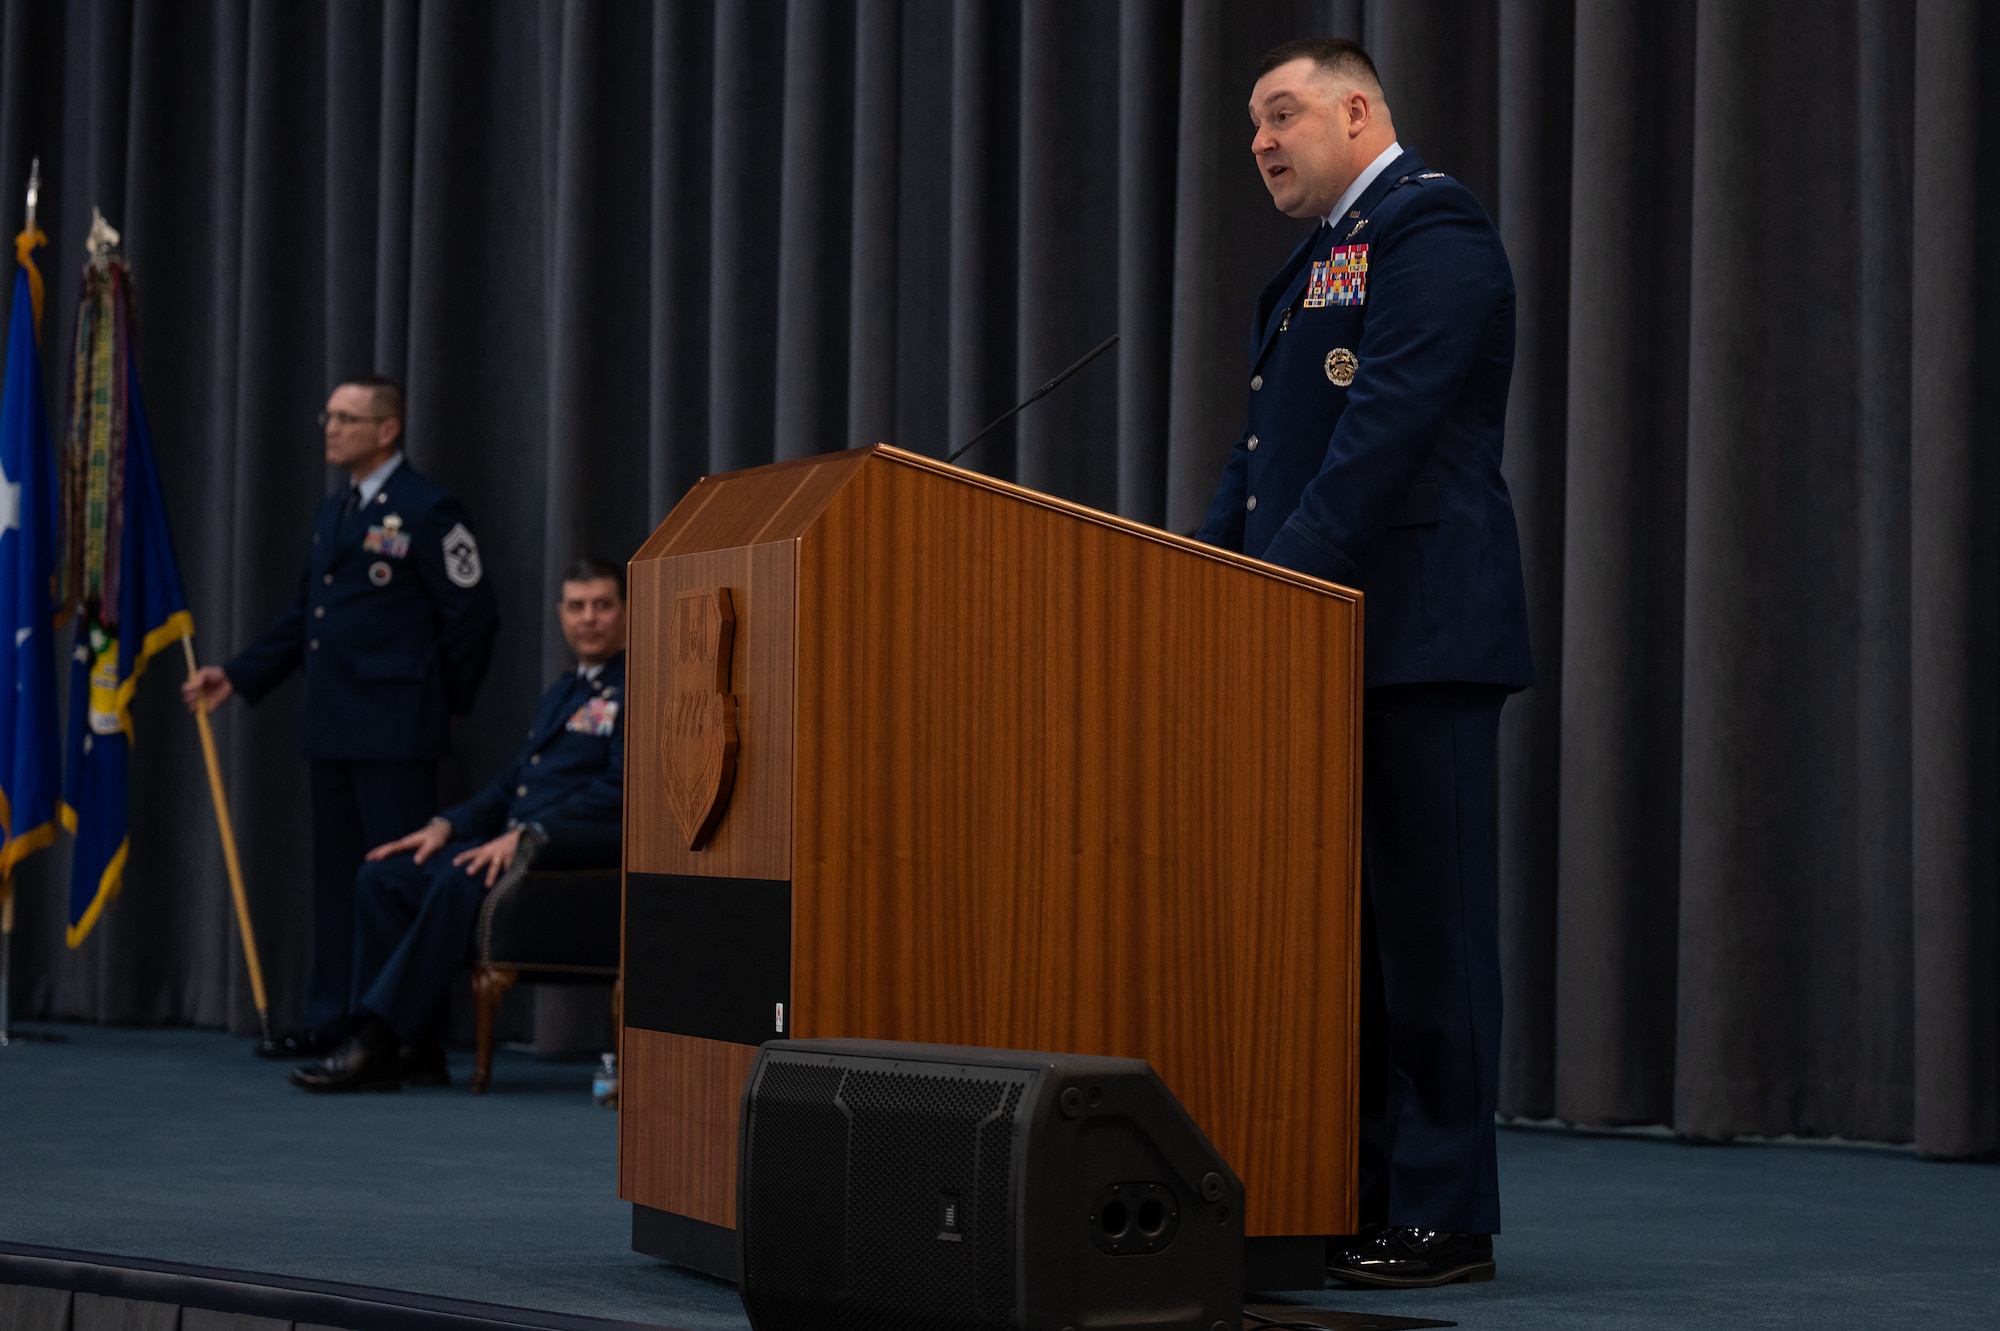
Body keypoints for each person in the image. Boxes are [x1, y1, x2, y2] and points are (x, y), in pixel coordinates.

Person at [1196, 39, 1532, 1288]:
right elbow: (1261, 448)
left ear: (1355, 108)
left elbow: (1380, 424)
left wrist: (1278, 575)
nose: (1260, 142)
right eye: (1250, 124)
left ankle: (1446, 1214)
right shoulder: (1313, 262)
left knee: (1429, 940)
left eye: (1279, 113)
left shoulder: (1428, 227)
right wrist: (1194, 573)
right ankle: (1371, 1188)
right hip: (1325, 631)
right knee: (1358, 950)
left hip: (1417, 633)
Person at [182, 374, 500, 1059]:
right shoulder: (335, 512)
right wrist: (237, 675)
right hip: (332, 725)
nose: (331, 427)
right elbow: (308, 616)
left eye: (347, 418)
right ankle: (335, 1016)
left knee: (395, 879)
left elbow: (472, 617)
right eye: (327, 415)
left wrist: (443, 701)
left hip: (396, 728)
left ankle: (401, 1030)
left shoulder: (427, 508)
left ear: (388, 429)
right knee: (335, 881)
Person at [289, 557, 627, 1092]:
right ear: (561, 614)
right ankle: (416, 1048)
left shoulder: (635, 689)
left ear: (626, 612)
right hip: (507, 847)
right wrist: (445, 825)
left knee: (455, 880)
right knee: (384, 876)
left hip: (556, 854)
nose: (590, 618)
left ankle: (373, 1037)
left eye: (603, 605)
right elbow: (513, 780)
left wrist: (527, 834)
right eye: (578, 606)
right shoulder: (565, 689)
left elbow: (619, 790)